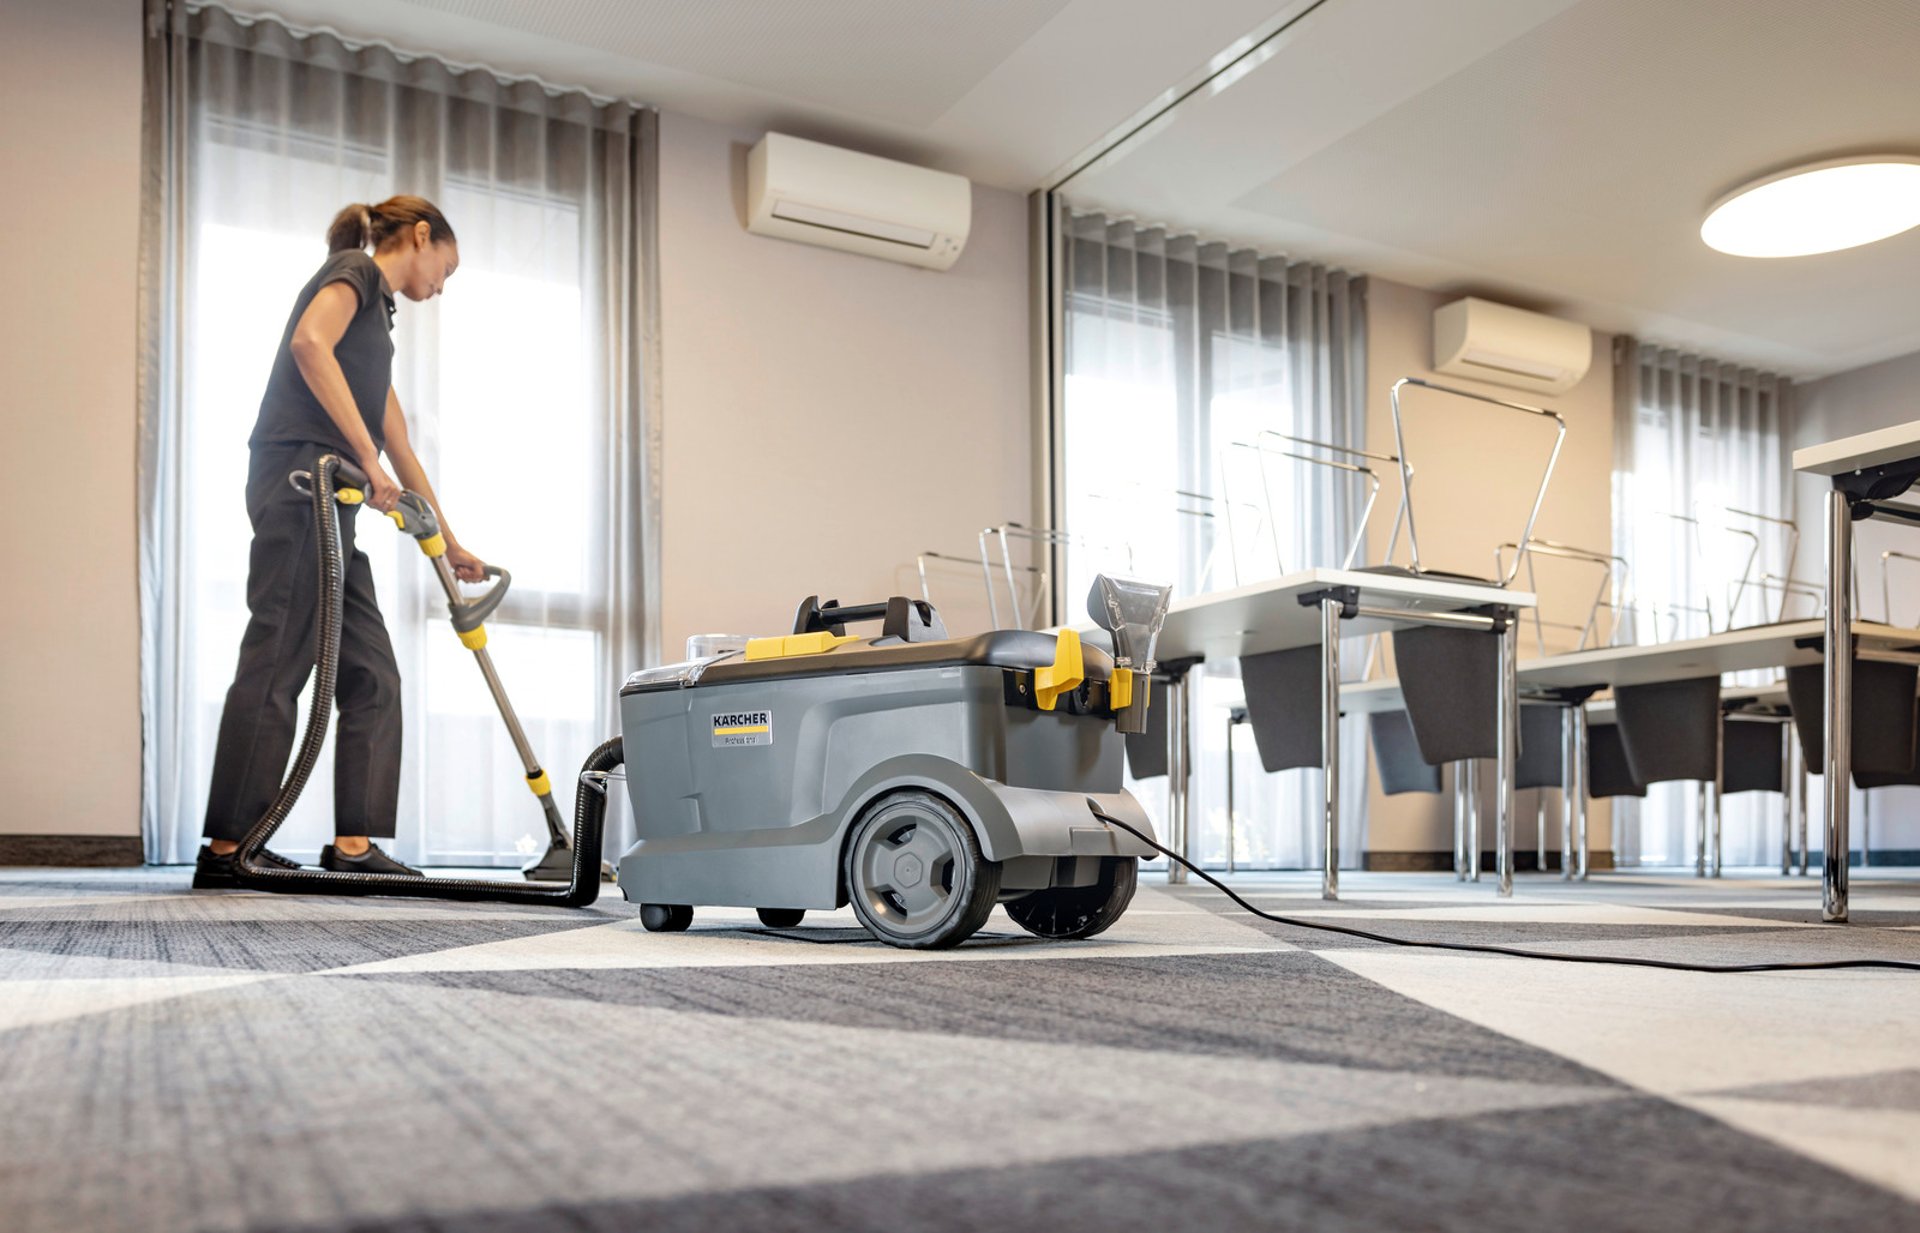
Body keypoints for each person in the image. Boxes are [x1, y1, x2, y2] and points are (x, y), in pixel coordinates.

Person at [194, 196, 481, 888]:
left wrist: (451, 542)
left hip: (337, 504)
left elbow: (400, 444)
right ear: (421, 235)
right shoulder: (351, 269)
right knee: (280, 656)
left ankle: (354, 844)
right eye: (448, 266)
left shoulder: (380, 322)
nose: (444, 284)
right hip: (300, 484)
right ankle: (229, 845)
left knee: (372, 672)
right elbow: (308, 344)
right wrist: (367, 461)